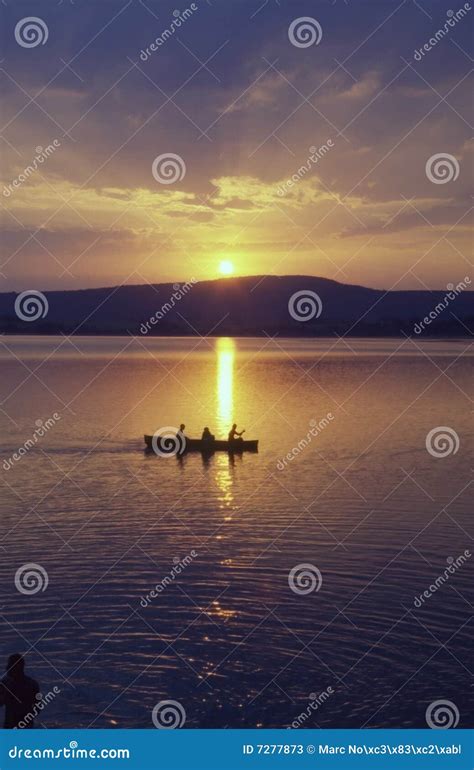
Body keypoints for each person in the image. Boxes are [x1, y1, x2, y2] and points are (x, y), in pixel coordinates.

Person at [0, 654, 40, 728]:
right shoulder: (32, 684)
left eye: (10, 665)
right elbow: (38, 707)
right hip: (25, 725)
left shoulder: (5, 683)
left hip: (11, 725)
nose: (7, 668)